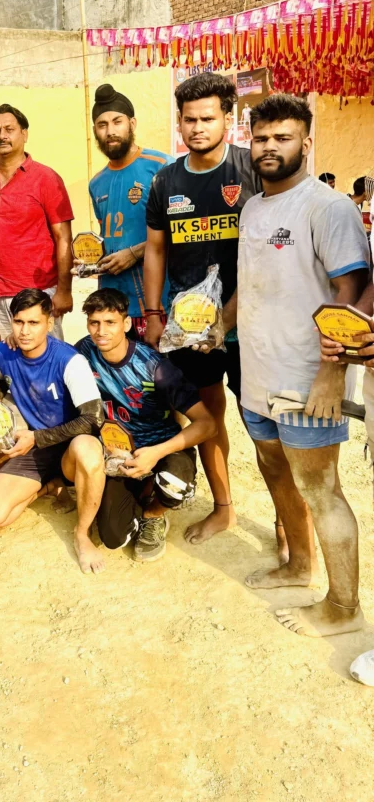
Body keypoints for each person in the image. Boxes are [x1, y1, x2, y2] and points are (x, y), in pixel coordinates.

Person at [238, 93, 369, 637]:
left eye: (282, 137)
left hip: (306, 379)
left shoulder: (327, 207)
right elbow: (254, 285)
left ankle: (343, 607)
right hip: (258, 374)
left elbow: (353, 296)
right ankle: (299, 564)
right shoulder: (252, 207)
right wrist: (214, 325)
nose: (269, 147)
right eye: (261, 138)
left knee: (321, 489)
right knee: (276, 473)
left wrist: (332, 373)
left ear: (306, 143)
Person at [144, 72, 260, 545]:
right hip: (190, 331)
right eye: (189, 119)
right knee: (208, 419)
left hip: (252, 326)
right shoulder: (166, 180)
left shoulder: (252, 169)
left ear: (229, 119)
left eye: (207, 119)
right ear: (179, 122)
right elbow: (155, 250)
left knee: (266, 428)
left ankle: (286, 523)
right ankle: (224, 509)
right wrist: (155, 315)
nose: (197, 128)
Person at [0, 289, 106, 574]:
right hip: (34, 448)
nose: (24, 331)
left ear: (49, 322)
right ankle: (49, 486)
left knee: (87, 450)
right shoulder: (4, 352)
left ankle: (82, 534)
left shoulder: (69, 360)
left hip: (70, 448)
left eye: (34, 323)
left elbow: (93, 419)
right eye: (19, 322)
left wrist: (37, 438)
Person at [76, 289, 216, 561]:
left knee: (175, 482)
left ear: (126, 323)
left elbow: (207, 424)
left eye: (110, 322)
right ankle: (143, 489)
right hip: (118, 454)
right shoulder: (83, 351)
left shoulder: (154, 366)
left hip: (161, 448)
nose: (101, 331)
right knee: (113, 538)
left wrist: (156, 453)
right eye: (94, 323)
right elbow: (49, 356)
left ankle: (154, 514)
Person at [0, 104, 74, 339]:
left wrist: (64, 291)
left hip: (37, 294)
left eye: (9, 129)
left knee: (44, 358)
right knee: (6, 358)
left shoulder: (46, 178)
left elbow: (63, 237)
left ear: (24, 134)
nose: (2, 136)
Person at [88, 85, 172, 338]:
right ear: (95, 131)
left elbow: (179, 232)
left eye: (117, 122)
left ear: (132, 124)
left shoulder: (162, 167)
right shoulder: (96, 182)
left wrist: (134, 253)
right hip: (114, 305)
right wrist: (88, 262)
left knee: (161, 364)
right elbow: (109, 237)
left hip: (158, 303)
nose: (110, 131)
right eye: (102, 125)